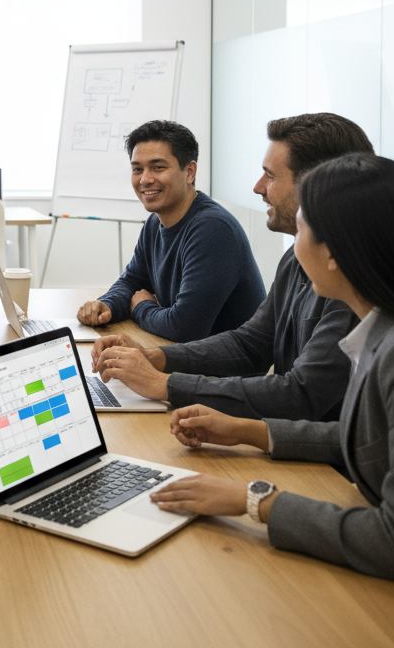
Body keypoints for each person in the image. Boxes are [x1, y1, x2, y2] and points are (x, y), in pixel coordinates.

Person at [150, 152, 394, 580]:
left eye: (301, 228)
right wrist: (247, 430)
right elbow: (366, 438)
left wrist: (254, 499)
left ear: (333, 253)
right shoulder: (377, 330)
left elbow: (388, 540)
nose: (295, 245)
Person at [90, 113, 370, 420]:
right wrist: (154, 358)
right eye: (138, 169)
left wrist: (164, 383)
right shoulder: (297, 258)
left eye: (271, 176)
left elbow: (301, 393)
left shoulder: (356, 279)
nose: (257, 187)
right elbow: (250, 343)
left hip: (319, 457)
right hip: (287, 433)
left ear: (322, 182)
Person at [76, 120, 264, 341]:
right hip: (185, 360)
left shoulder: (212, 229)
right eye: (137, 169)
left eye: (158, 167)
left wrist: (142, 307)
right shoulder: (154, 223)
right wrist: (107, 305)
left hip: (223, 373)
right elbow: (132, 282)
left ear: (190, 172)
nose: (145, 179)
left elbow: (184, 328)